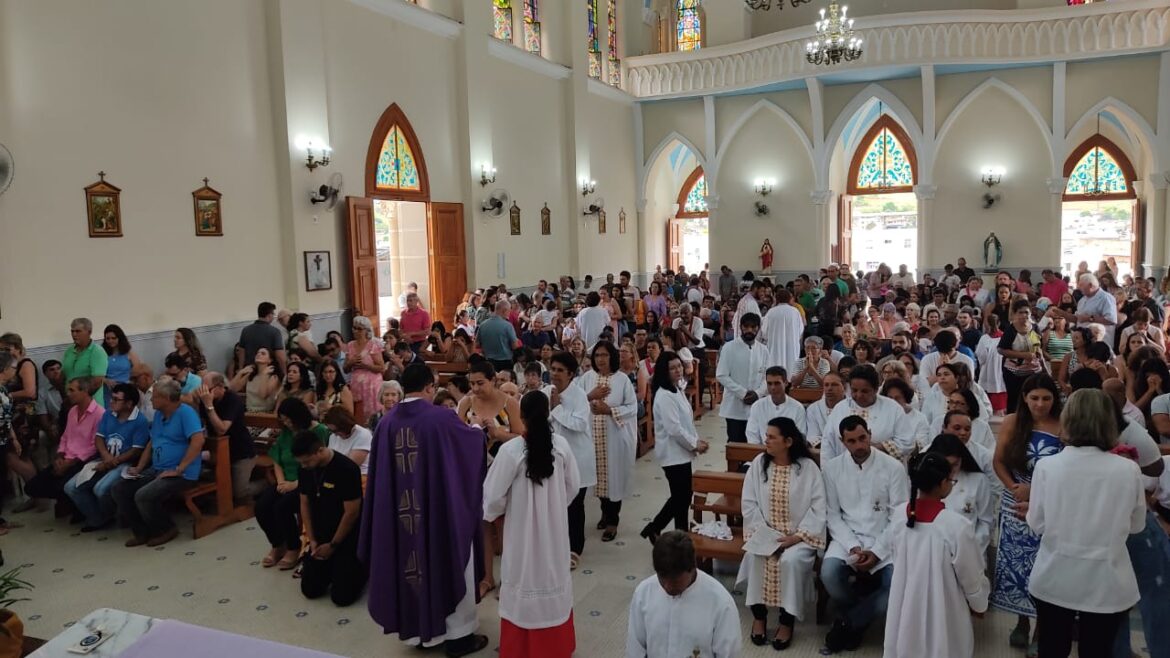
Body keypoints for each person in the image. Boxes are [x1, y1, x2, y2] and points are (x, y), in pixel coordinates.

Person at [359, 363, 489, 656]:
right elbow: (470, 445)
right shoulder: (441, 418)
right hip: (437, 514)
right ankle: (459, 637)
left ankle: (420, 634)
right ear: (430, 386)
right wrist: (480, 429)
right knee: (451, 557)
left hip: (401, 520)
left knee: (408, 564)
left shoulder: (386, 423)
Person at [1027, 389, 1146, 658]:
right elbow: (1137, 525)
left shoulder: (1048, 467)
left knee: (1052, 648)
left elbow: (1037, 523)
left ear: (1068, 420)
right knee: (1098, 650)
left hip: (1055, 575)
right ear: (1109, 422)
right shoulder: (1128, 470)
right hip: (1107, 580)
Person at [483, 391, 580, 658]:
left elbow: (492, 499)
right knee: (553, 576)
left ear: (521, 417)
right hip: (555, 532)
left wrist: (504, 512)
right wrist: (555, 506)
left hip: (521, 533)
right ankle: (555, 648)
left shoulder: (511, 451)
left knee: (522, 577)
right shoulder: (560, 446)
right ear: (548, 413)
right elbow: (573, 487)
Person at [883, 452, 989, 658]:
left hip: (905, 600)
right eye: (951, 480)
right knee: (943, 645)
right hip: (944, 604)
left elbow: (896, 557)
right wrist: (979, 603)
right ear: (943, 483)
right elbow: (972, 576)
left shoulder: (898, 515)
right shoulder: (956, 526)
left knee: (905, 642)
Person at [820, 415, 909, 653]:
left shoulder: (893, 467)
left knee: (896, 587)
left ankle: (850, 622)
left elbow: (899, 516)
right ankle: (861, 612)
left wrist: (877, 552)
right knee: (828, 574)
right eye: (851, 441)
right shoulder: (832, 469)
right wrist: (852, 546)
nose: (859, 445)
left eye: (862, 438)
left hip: (886, 540)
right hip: (847, 538)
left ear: (869, 434)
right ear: (842, 441)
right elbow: (832, 515)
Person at [736, 417, 826, 649]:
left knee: (791, 562)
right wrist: (763, 533)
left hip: (798, 538)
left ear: (788, 441)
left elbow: (818, 508)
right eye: (766, 436)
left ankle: (787, 621)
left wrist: (797, 537)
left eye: (771, 437)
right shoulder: (758, 464)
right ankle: (759, 617)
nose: (766, 440)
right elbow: (749, 503)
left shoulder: (807, 469)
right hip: (765, 535)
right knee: (756, 556)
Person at [991, 373, 1063, 655]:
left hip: (1049, 504)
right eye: (1035, 398)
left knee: (1045, 568)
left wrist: (1036, 491)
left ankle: (1042, 630)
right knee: (1015, 566)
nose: (1040, 404)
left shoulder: (1062, 426)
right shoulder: (1012, 422)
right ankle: (1021, 621)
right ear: (1024, 398)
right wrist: (1015, 488)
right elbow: (998, 462)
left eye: (1046, 398)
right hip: (1015, 501)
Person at [111, 377, 204, 547]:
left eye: (154, 397)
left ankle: (165, 528)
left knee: (143, 495)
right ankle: (141, 532)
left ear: (166, 399)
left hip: (182, 473)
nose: (151, 399)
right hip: (158, 469)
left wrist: (180, 468)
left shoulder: (186, 413)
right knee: (120, 489)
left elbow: (198, 440)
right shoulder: (160, 414)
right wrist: (139, 467)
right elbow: (152, 442)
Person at [626, 531, 742, 658]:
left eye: (674, 581)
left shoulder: (720, 603)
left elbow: (729, 654)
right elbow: (635, 648)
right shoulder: (643, 593)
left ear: (692, 568)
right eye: (661, 578)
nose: (667, 587)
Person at [293, 430, 367, 606]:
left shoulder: (347, 469)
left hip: (346, 535)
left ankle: (363, 567)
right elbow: (304, 504)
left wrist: (333, 545)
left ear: (320, 451)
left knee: (342, 598)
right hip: (320, 535)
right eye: (301, 463)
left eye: (307, 461)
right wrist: (312, 540)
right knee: (310, 590)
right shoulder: (305, 470)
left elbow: (352, 513)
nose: (304, 466)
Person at [641, 351, 709, 544]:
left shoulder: (675, 389)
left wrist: (695, 441)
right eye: (672, 368)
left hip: (681, 452)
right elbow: (674, 429)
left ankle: (679, 532)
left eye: (679, 366)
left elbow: (686, 422)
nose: (678, 370)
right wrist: (694, 444)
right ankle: (657, 528)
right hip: (672, 453)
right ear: (664, 371)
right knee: (681, 496)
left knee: (683, 496)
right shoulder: (664, 396)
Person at [64, 383, 150, 531]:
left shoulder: (140, 421)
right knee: (71, 487)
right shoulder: (108, 415)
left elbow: (136, 450)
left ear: (129, 403)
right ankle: (98, 518)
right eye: (112, 398)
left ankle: (114, 515)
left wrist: (113, 461)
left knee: (101, 489)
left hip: (125, 463)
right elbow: (99, 438)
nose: (111, 402)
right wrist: (105, 456)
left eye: (116, 400)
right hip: (104, 458)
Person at [257, 398, 328, 569]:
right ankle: (277, 544)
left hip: (308, 482)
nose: (287, 423)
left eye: (289, 419)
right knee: (261, 506)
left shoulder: (319, 431)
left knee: (282, 507)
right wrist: (281, 481)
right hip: (286, 481)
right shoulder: (287, 433)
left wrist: (295, 484)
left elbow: (320, 463)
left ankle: (293, 547)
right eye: (284, 419)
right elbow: (277, 459)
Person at [576, 341, 637, 542]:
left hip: (615, 439)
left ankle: (613, 521)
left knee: (614, 479)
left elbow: (632, 407)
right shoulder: (587, 378)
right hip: (592, 437)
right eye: (597, 355)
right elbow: (574, 401)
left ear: (612, 356)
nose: (600, 359)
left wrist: (609, 410)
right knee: (598, 479)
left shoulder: (622, 380)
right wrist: (589, 397)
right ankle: (605, 512)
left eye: (604, 355)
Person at [13, 377, 101, 513]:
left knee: (62, 484)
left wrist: (70, 463)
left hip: (83, 460)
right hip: (66, 457)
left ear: (85, 391)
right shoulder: (72, 411)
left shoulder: (99, 414)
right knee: (32, 487)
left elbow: (95, 446)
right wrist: (59, 456)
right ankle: (69, 502)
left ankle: (76, 506)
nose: (68, 394)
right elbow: (65, 437)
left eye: (72, 390)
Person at [548, 351, 592, 568]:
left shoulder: (579, 396)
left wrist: (556, 408)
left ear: (571, 374)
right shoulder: (548, 391)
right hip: (555, 457)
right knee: (557, 503)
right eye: (552, 369)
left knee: (575, 504)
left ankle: (576, 548)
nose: (555, 374)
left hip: (577, 457)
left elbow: (579, 424)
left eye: (560, 370)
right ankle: (559, 546)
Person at [821, 365, 916, 462]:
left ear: (875, 389)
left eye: (865, 391)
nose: (859, 395)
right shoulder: (840, 409)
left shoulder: (893, 408)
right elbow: (827, 444)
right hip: (845, 472)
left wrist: (874, 448)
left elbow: (907, 442)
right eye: (854, 390)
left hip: (884, 471)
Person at [925, 432, 995, 555]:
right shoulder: (926, 481)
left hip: (968, 550)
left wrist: (968, 549)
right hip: (931, 550)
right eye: (946, 465)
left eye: (955, 464)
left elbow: (986, 523)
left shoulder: (978, 480)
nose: (951, 470)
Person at [195, 372, 255, 502]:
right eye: (202, 389)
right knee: (214, 485)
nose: (204, 393)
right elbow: (205, 427)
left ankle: (268, 484)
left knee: (238, 493)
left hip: (241, 453)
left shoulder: (233, 400)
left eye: (207, 390)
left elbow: (222, 429)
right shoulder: (204, 400)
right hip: (219, 451)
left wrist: (209, 407)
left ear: (220, 386)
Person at [715, 312, 769, 444]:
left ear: (758, 328)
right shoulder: (729, 347)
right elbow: (721, 375)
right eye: (746, 327)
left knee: (755, 444)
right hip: (734, 406)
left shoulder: (763, 350)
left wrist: (757, 393)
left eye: (753, 327)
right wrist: (743, 393)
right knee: (735, 443)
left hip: (757, 404)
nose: (750, 330)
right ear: (741, 327)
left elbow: (767, 377)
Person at [999, 299, 1044, 413]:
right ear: (1015, 314)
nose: (1024, 315)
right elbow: (1001, 349)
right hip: (1013, 371)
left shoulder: (1034, 328)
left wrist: (1037, 353)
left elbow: (1038, 345)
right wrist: (1022, 355)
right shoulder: (1011, 329)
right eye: (1020, 312)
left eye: (1026, 312)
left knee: (1031, 397)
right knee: (1014, 399)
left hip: (1032, 370)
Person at [746, 366, 807, 444]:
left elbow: (800, 437)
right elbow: (752, 436)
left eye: (777, 383)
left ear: (786, 383)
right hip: (762, 452)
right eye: (769, 383)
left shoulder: (798, 408)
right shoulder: (757, 406)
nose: (773, 387)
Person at [345, 316, 385, 421]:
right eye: (354, 328)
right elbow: (345, 369)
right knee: (359, 413)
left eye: (359, 329)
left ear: (366, 330)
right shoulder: (350, 345)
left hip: (372, 384)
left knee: (373, 414)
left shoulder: (372, 345)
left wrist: (365, 365)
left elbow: (381, 367)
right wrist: (351, 362)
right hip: (356, 384)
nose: (356, 331)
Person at [62, 318, 109, 407]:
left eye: (78, 331)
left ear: (89, 332)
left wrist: (79, 398)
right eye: (72, 331)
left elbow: (97, 381)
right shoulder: (69, 351)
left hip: (90, 404)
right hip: (70, 402)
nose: (74, 334)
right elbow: (64, 376)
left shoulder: (97, 351)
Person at [231, 347, 281, 413]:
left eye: (263, 353)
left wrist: (264, 375)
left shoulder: (273, 377)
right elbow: (233, 388)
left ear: (270, 360)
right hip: (248, 412)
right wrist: (240, 373)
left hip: (265, 414)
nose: (259, 354)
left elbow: (263, 395)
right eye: (257, 353)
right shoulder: (251, 374)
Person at [239, 302, 287, 369]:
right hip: (268, 371)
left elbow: (241, 353)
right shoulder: (274, 332)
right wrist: (284, 373)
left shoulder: (245, 330)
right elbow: (280, 356)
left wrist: (241, 370)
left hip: (249, 371)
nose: (273, 317)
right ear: (269, 315)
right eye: (273, 314)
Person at [100, 324, 142, 401]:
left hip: (126, 392)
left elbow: (139, 372)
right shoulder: (102, 354)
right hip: (108, 392)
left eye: (113, 338)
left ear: (120, 338)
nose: (110, 341)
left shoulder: (129, 354)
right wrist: (106, 380)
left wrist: (131, 382)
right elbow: (97, 374)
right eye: (108, 338)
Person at [478, 299, 522, 372]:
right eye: (509, 311)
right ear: (504, 310)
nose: (509, 314)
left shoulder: (483, 325)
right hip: (505, 362)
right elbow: (515, 346)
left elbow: (477, 344)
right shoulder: (507, 326)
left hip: (488, 361)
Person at [806, 371, 846, 448]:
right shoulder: (813, 409)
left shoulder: (851, 407)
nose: (829, 388)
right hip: (821, 450)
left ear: (844, 387)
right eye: (826, 385)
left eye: (834, 385)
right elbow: (813, 436)